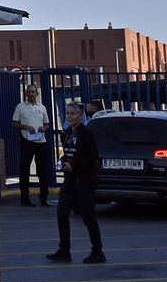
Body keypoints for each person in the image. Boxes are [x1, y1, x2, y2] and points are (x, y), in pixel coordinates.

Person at [48, 102, 104, 264]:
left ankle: (97, 252)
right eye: (67, 113)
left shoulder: (86, 134)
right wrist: (64, 161)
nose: (69, 116)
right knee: (61, 213)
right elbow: (68, 152)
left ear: (81, 116)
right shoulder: (67, 133)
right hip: (70, 180)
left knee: (88, 217)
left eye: (73, 114)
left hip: (84, 181)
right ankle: (64, 250)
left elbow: (93, 155)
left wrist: (75, 164)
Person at [12, 84, 51, 207]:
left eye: (33, 92)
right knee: (24, 170)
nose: (31, 94)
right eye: (28, 92)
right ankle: (25, 198)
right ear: (26, 94)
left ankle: (44, 198)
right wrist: (25, 127)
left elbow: (47, 124)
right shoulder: (20, 107)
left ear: (37, 93)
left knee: (42, 171)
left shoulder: (42, 108)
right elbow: (14, 123)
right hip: (26, 140)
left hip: (41, 141)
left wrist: (43, 128)